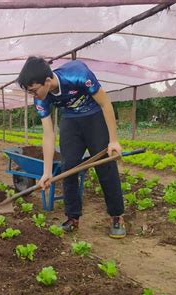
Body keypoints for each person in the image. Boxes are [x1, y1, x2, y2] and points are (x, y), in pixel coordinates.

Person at [17, 57, 126, 238]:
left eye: (34, 90)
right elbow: (48, 134)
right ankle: (72, 217)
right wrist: (46, 172)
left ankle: (117, 216)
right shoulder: (40, 99)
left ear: (47, 81)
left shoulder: (78, 74)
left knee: (105, 165)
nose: (34, 95)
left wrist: (113, 141)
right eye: (30, 92)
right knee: (68, 166)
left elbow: (105, 103)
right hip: (70, 121)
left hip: (94, 117)